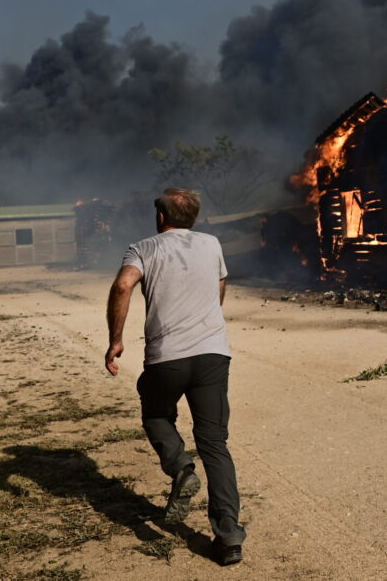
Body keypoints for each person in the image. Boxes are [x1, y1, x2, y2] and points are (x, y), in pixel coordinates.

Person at [104, 187, 246, 566]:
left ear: (160, 217)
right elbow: (219, 288)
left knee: (155, 414)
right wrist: (205, 324)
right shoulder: (212, 244)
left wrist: (115, 341)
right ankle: (229, 537)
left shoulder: (143, 248)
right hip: (214, 354)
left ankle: (180, 467)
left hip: (167, 358)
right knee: (215, 442)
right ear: (194, 219)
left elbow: (122, 285)